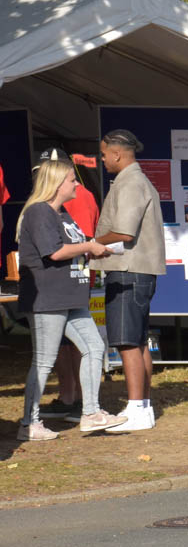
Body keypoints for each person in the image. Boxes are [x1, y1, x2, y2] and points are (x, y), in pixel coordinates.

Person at [16, 159, 123, 440]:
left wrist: (92, 249)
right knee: (44, 361)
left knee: (94, 347)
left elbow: (69, 247)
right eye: (71, 180)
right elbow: (53, 252)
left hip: (70, 296)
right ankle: (29, 423)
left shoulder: (61, 213)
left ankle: (91, 413)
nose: (77, 184)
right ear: (56, 184)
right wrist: (88, 246)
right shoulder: (39, 212)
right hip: (48, 299)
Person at [92, 129, 167, 433]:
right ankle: (143, 407)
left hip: (128, 271)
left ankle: (136, 408)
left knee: (126, 341)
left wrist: (93, 242)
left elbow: (123, 232)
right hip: (134, 270)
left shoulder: (131, 182)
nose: (102, 159)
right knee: (136, 340)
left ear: (117, 153)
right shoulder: (132, 180)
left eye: (103, 153)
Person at [38, 151, 101, 424]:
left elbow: (82, 238)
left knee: (78, 342)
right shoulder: (44, 203)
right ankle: (69, 396)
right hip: (57, 280)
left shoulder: (80, 196)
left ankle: (79, 400)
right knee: (62, 343)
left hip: (73, 278)